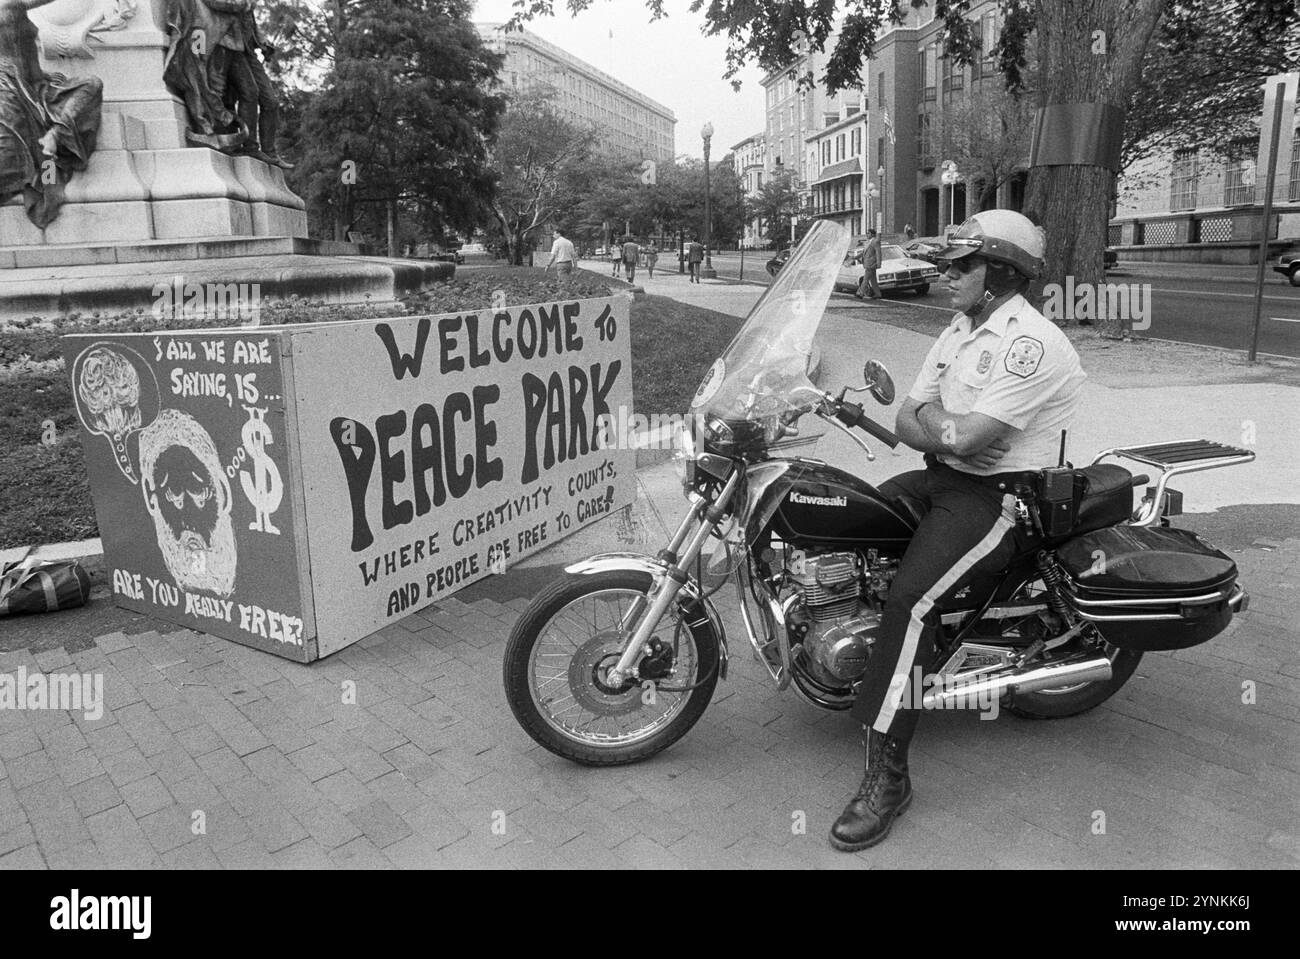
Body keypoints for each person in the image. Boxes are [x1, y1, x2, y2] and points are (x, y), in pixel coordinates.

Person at [829, 210, 1087, 852]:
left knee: (910, 603)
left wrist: (935, 424)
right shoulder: (957, 329)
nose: (945, 274)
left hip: (1003, 496)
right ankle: (856, 653)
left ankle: (888, 777)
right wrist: (936, 425)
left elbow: (971, 438)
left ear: (999, 274)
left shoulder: (1033, 345)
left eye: (960, 265)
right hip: (945, 477)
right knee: (849, 524)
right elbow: (907, 414)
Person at [0, 0, 103, 229]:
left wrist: (44, 76)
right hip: (9, 88)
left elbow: (18, 52)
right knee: (10, 159)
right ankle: (50, 146)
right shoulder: (8, 5)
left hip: (36, 85)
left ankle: (55, 135)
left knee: (91, 84)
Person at [204, 0, 293, 168]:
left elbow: (249, 20)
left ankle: (268, 151)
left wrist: (262, 41)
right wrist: (245, 3)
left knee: (271, 102)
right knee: (246, 93)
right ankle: (250, 146)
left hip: (245, 48)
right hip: (224, 43)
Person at [855, 228, 882, 300]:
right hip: (867, 263)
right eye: (867, 233)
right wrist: (855, 257)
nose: (867, 234)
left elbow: (878, 253)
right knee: (873, 280)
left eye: (869, 233)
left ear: (873, 234)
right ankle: (878, 294)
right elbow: (863, 253)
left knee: (865, 279)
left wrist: (879, 264)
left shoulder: (875, 242)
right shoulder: (867, 242)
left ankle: (860, 293)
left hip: (872, 264)